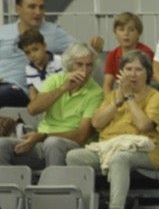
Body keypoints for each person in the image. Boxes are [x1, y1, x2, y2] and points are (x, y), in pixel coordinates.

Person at [66, 50, 159, 209]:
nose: (133, 74)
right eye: (128, 69)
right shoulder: (113, 95)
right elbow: (96, 123)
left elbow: (144, 125)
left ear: (147, 73)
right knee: (73, 157)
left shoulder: (156, 97)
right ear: (121, 73)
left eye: (138, 69)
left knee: (120, 159)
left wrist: (129, 99)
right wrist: (117, 101)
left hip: (144, 150)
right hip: (108, 147)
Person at [0, 42, 101, 170]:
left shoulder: (96, 92)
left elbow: (82, 135)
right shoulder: (55, 80)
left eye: (89, 65)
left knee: (53, 143)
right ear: (70, 65)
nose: (84, 71)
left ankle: (55, 188)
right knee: (2, 145)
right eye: (79, 64)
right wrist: (63, 88)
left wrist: (44, 136)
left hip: (71, 146)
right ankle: (10, 188)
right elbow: (32, 109)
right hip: (41, 142)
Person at [0, 0, 101, 107]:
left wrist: (95, 46)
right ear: (18, 9)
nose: (38, 12)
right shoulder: (3, 31)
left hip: (23, 90)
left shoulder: (53, 32)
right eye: (32, 7)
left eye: (41, 7)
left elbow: (81, 51)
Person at [102, 12, 155, 98]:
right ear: (115, 33)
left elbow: (149, 82)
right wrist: (111, 103)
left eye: (131, 30)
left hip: (143, 94)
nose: (126, 33)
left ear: (139, 33)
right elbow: (107, 85)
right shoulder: (112, 55)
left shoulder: (146, 53)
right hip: (120, 92)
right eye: (121, 29)